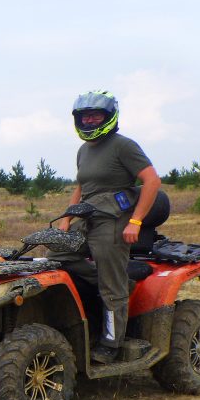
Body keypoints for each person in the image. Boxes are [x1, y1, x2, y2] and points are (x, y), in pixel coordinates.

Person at [49, 90, 162, 363]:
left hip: (113, 222)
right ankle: (118, 282)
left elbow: (152, 181)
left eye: (94, 115)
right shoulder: (83, 150)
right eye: (84, 116)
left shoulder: (124, 146)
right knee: (56, 256)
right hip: (87, 220)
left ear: (108, 117)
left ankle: (111, 343)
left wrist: (135, 221)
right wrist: (66, 219)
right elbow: (81, 187)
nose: (89, 120)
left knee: (111, 288)